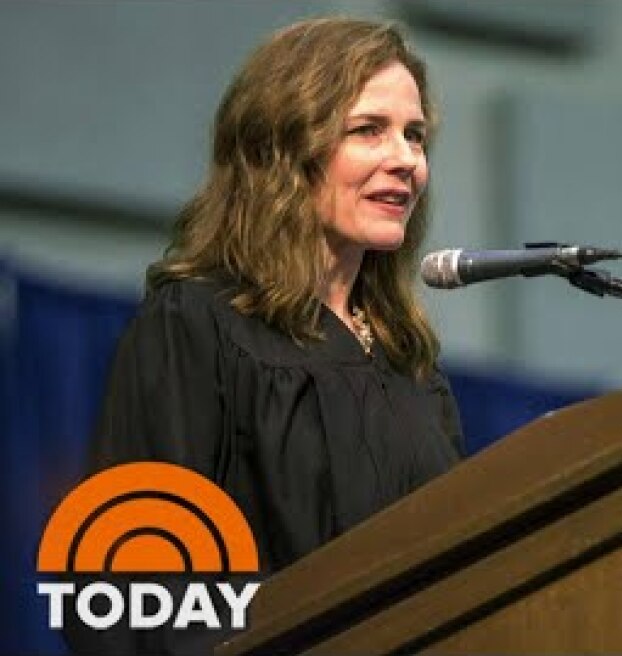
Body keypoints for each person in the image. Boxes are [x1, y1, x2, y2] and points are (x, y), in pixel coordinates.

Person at [67, 16, 464, 655]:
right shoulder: (197, 325)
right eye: (369, 130)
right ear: (283, 150)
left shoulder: (410, 367)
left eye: (415, 136)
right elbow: (129, 585)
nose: (406, 160)